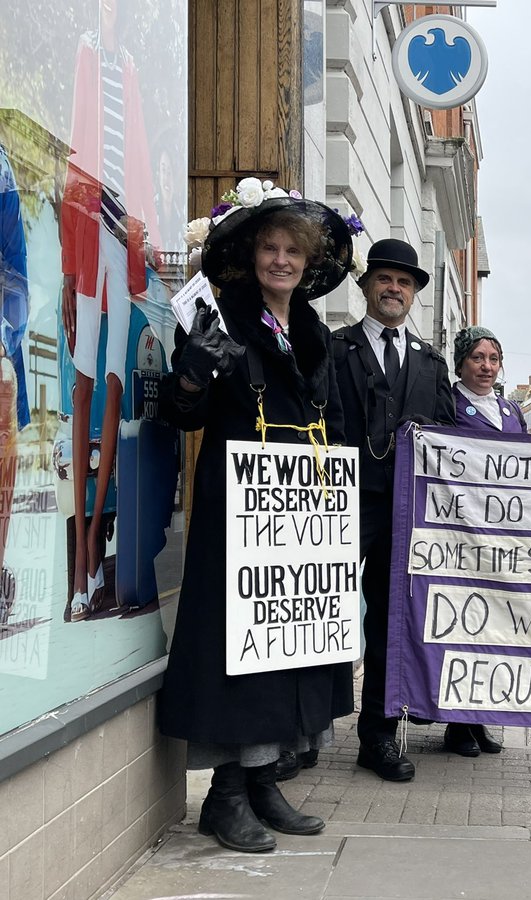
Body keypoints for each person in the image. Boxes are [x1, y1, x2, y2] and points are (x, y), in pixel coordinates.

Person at [157, 182, 355, 853]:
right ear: (252, 255)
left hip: (299, 511)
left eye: (290, 251)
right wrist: (191, 374)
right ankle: (227, 796)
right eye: (269, 247)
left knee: (287, 642)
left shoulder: (313, 332)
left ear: (305, 263)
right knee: (237, 649)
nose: (280, 260)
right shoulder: (224, 321)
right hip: (238, 509)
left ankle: (268, 779)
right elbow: (182, 414)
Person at [326, 238, 455, 781]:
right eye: (384, 279)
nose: (393, 289)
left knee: (387, 622)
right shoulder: (335, 349)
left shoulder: (430, 363)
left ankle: (376, 736)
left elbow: (451, 437)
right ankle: (305, 729)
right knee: (319, 612)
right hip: (339, 504)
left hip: (404, 514)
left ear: (415, 293)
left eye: (404, 282)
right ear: (366, 286)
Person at [61, 0, 160, 620]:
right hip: (89, 220)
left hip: (122, 228)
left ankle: (97, 543)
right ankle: (80, 565)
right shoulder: (88, 54)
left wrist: (140, 232)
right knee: (84, 374)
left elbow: (139, 155)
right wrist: (72, 262)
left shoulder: (127, 65)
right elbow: (79, 138)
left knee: (117, 380)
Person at [439, 324, 522, 756]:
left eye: (493, 358)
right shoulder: (447, 404)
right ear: (461, 362)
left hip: (503, 539)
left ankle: (480, 717)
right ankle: (456, 723)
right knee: (463, 626)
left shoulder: (510, 412)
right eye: (477, 358)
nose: (486, 367)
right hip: (461, 535)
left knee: (495, 627)